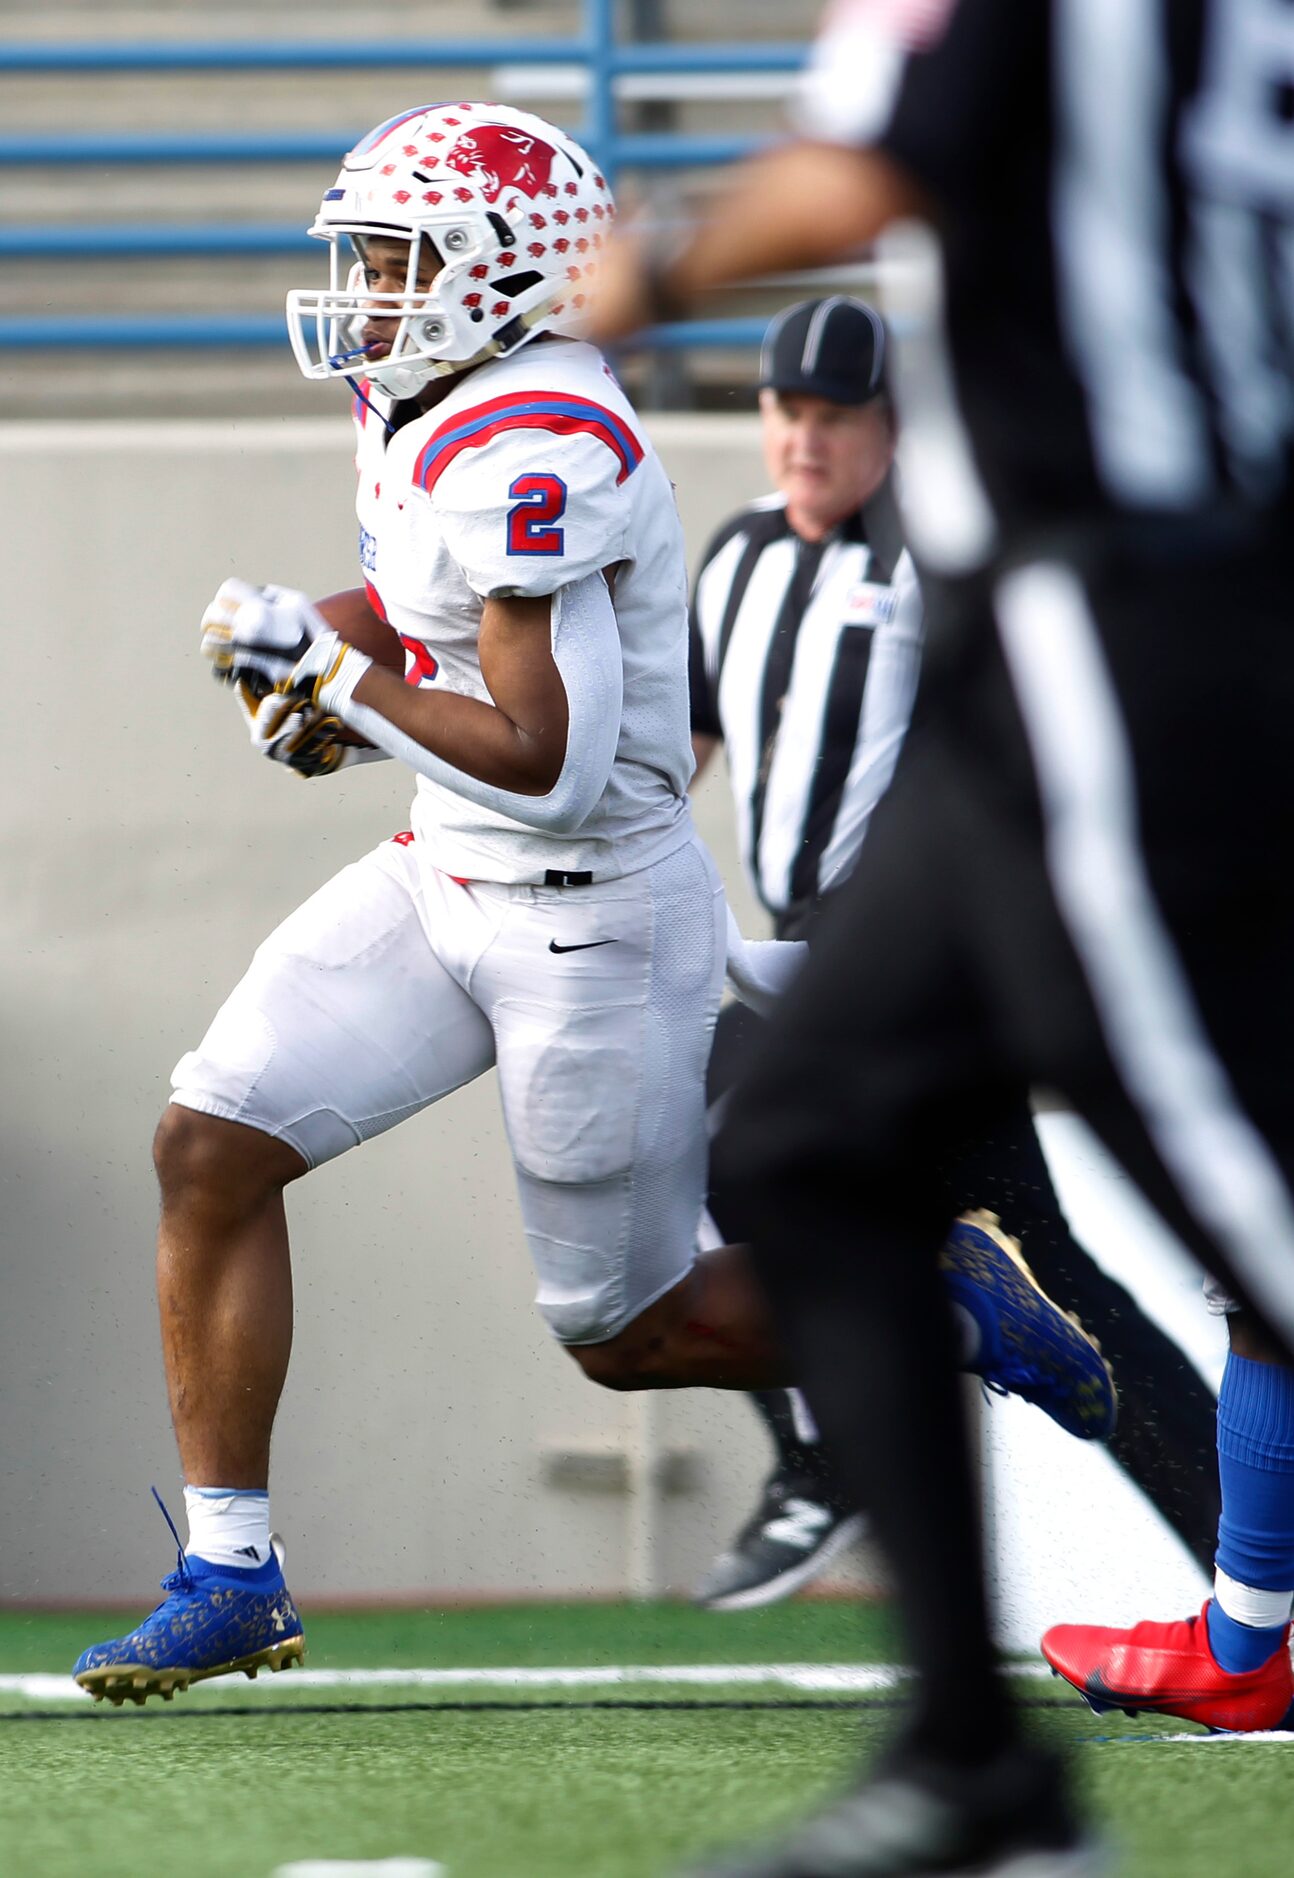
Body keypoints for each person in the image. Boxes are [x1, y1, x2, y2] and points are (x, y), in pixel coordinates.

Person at [69, 100, 1108, 1710]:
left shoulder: (539, 438)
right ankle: (228, 1569)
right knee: (210, 1141)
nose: (367, 284)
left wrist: (339, 679)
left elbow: (545, 761)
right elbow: (414, 596)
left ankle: (936, 1293)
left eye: (398, 253)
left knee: (631, 1333)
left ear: (493, 273)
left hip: (589, 912)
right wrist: (313, 653)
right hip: (446, 872)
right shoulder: (421, 391)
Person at [590, 4, 1294, 1873]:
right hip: (1048, 640)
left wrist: (648, 264)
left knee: (1252, 1203)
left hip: (1110, 602)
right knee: (806, 1150)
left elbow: (880, 150)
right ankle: (975, 1773)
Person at [691, 294, 1220, 1612]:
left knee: (1030, 1268)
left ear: (891, 428)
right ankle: (1241, 1574)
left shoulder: (941, 559)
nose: (806, 441)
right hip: (801, 957)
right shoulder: (735, 556)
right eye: (786, 411)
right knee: (695, 1134)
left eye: (837, 416)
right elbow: (680, 751)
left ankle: (842, 1451)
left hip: (933, 966)